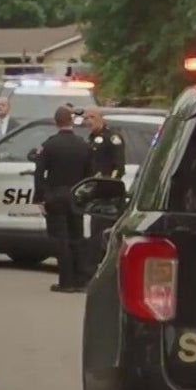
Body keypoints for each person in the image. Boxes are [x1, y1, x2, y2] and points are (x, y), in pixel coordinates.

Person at [33, 105, 94, 293]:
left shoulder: (49, 145)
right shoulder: (83, 145)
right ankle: (81, 280)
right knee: (77, 238)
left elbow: (39, 173)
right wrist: (86, 197)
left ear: (56, 122)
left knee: (61, 239)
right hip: (77, 195)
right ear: (71, 121)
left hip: (56, 196)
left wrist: (40, 197)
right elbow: (90, 174)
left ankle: (66, 282)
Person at [81, 106, 125, 280]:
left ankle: (102, 271)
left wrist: (107, 184)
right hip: (92, 192)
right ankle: (90, 270)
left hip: (106, 194)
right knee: (94, 233)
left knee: (102, 233)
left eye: (92, 117)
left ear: (102, 118)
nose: (88, 121)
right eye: (86, 118)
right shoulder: (91, 138)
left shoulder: (112, 138)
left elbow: (118, 167)